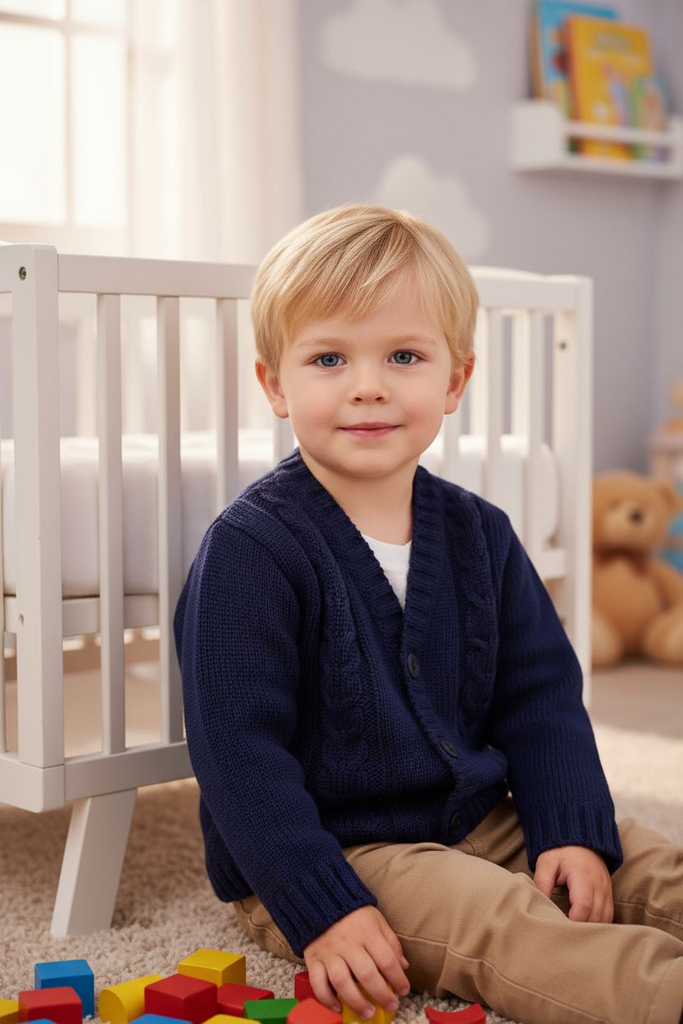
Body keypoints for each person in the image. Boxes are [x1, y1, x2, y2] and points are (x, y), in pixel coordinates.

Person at [173, 204, 683, 1024]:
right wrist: (323, 908)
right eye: (329, 357)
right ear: (275, 383)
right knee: (506, 929)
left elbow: (539, 696)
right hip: (335, 854)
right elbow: (238, 757)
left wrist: (568, 827)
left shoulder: (481, 533)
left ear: (452, 381)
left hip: (482, 816)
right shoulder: (251, 550)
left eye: (403, 356)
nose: (367, 384)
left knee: (646, 865)